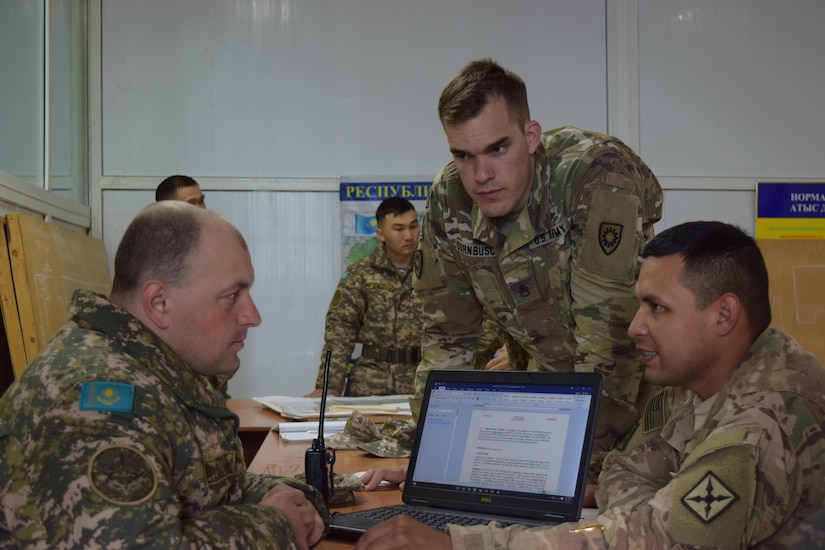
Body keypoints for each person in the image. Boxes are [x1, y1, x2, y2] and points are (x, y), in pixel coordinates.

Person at [355, 221, 825, 549]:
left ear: (724, 314)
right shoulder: (693, 382)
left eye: (656, 307)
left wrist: (459, 544)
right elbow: (626, 474)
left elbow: (656, 539)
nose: (635, 327)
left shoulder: (766, 421)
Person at [0, 202, 327, 548]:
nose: (252, 315)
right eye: (232, 295)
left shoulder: (164, 367)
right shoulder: (96, 404)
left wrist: (287, 497)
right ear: (159, 303)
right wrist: (275, 525)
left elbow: (202, 487)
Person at [411, 58, 663, 484]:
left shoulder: (595, 173)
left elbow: (609, 342)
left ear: (531, 136)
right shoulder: (448, 198)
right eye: (463, 155)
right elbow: (447, 338)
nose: (482, 175)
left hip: (639, 399)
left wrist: (575, 472)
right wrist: (433, 458)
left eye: (498, 148)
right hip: (549, 401)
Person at [307, 197, 423, 397]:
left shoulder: (435, 272)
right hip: (369, 383)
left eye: (413, 227)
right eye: (398, 229)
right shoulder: (361, 272)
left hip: (420, 382)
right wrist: (329, 386)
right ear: (381, 234)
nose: (409, 236)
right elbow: (341, 330)